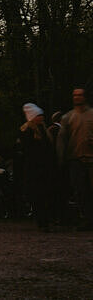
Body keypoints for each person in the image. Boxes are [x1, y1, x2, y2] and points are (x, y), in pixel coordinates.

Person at [57, 88, 93, 231]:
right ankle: (86, 219)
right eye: (74, 95)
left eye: (80, 95)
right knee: (80, 191)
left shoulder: (91, 115)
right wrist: (61, 159)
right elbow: (62, 139)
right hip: (75, 159)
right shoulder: (68, 117)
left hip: (91, 159)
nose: (77, 98)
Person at [19, 103, 56, 231]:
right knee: (39, 196)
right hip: (35, 169)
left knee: (44, 195)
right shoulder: (28, 132)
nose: (41, 118)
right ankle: (42, 221)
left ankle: (44, 220)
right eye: (38, 115)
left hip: (44, 169)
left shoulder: (43, 131)